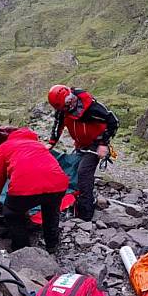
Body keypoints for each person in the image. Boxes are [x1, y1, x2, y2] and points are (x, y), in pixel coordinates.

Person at [0, 127, 68, 253]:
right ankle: (52, 245)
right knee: (51, 212)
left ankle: (22, 249)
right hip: (58, 184)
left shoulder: (6, 147)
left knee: (12, 212)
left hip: (24, 188)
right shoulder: (38, 145)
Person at [47, 85, 118, 221]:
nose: (63, 111)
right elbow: (58, 124)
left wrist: (103, 143)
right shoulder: (63, 109)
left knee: (84, 172)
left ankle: (86, 213)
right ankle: (78, 198)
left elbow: (113, 121)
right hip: (80, 144)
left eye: (65, 107)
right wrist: (51, 142)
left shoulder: (92, 108)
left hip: (96, 144)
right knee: (74, 169)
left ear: (70, 101)